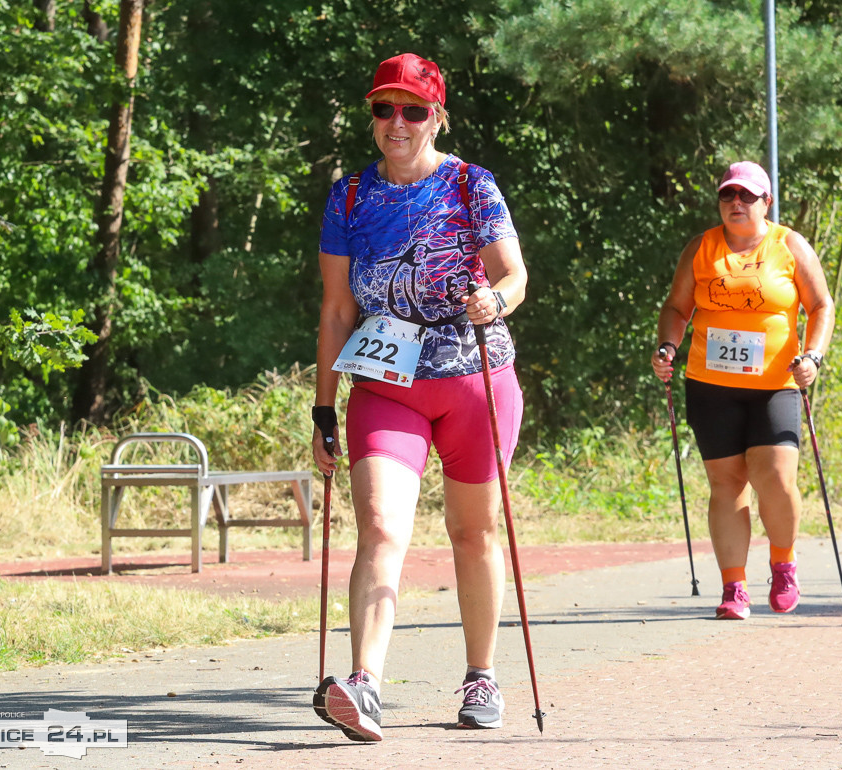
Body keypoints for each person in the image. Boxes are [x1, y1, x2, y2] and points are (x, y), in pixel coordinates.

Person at [309, 52, 527, 742]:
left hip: (474, 378)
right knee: (379, 527)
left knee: (473, 532)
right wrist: (322, 407)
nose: (396, 122)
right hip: (386, 383)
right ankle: (364, 684)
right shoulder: (349, 197)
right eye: (383, 108)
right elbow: (337, 310)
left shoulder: (470, 183)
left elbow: (515, 274)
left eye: (412, 109)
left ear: (437, 117)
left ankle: (481, 674)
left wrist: (495, 299)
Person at [652, 160, 835, 621]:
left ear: (766, 202)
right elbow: (677, 306)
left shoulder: (789, 245)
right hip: (711, 385)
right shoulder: (701, 248)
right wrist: (667, 347)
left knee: (775, 477)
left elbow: (820, 305)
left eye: (747, 196)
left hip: (776, 384)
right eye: (728, 196)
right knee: (727, 484)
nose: (736, 203)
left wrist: (811, 356)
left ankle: (784, 562)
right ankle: (735, 586)